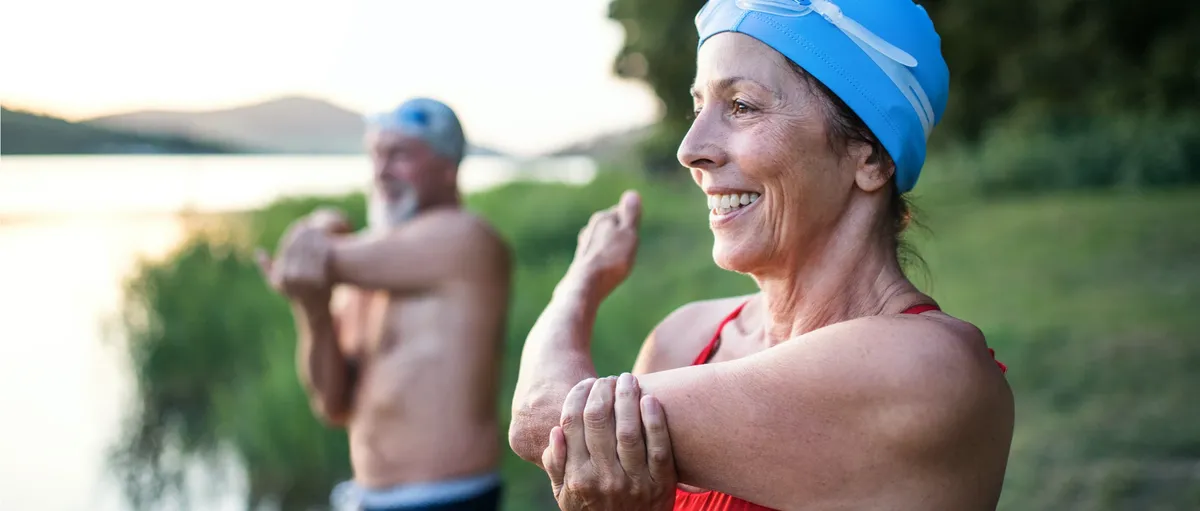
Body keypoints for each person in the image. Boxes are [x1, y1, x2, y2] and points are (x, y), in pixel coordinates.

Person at [508, 0, 1013, 510]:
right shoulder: (682, 339)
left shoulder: (929, 369)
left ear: (870, 157)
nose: (690, 149)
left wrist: (579, 283)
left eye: (742, 106)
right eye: (697, 106)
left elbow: (543, 417)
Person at [259, 97, 513, 511]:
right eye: (376, 154)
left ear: (448, 168)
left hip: (450, 498)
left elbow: (315, 257)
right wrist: (313, 307)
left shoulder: (468, 239)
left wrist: (318, 229)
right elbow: (332, 405)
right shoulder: (365, 264)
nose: (381, 170)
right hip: (368, 495)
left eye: (401, 155)